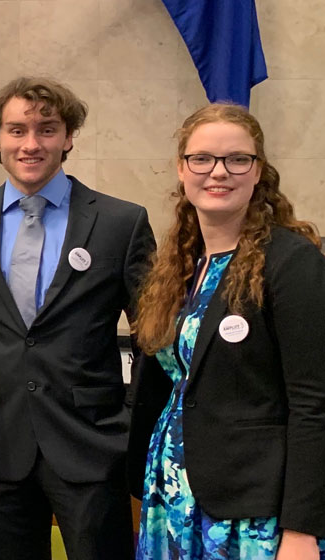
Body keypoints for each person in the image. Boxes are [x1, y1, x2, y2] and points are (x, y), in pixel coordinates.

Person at [0, 76, 155, 560]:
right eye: (16, 130)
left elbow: (154, 335)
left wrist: (129, 419)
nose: (31, 144)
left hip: (92, 443)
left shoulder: (122, 223)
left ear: (69, 137)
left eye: (47, 129)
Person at [128, 103, 325, 559]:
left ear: (258, 172)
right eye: (202, 159)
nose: (219, 172)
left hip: (254, 513)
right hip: (175, 496)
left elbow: (314, 404)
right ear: (182, 169)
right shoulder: (179, 267)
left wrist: (301, 530)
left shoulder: (292, 263)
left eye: (238, 159)